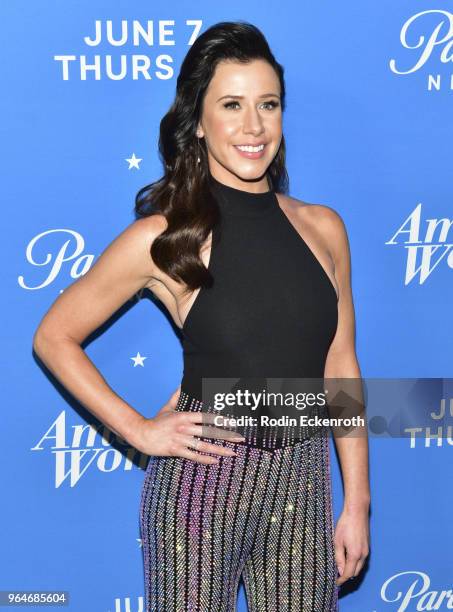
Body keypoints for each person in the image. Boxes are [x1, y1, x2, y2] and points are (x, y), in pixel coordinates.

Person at [33, 20, 370, 612]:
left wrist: (358, 501)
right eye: (232, 105)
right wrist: (138, 430)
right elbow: (54, 336)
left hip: (302, 478)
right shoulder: (164, 238)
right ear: (198, 121)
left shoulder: (324, 228)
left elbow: (339, 367)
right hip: (202, 483)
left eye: (268, 104)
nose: (253, 126)